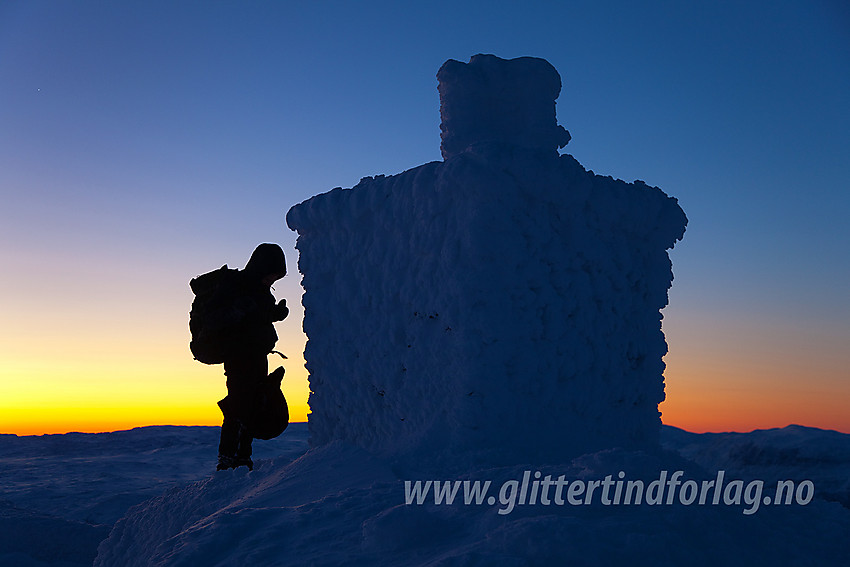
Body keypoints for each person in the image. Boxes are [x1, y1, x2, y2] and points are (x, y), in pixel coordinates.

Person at [216, 243, 289, 471]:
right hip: (240, 357)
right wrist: (244, 310)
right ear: (262, 268)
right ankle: (229, 460)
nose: (272, 281)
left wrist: (275, 314)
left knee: (251, 405)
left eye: (276, 278)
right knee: (240, 406)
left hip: (256, 356)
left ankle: (241, 458)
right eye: (271, 276)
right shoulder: (239, 287)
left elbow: (257, 318)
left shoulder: (259, 290)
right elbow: (228, 318)